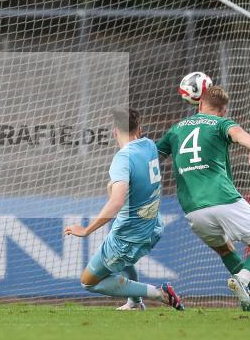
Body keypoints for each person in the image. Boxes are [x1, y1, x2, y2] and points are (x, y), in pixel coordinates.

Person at [156, 86, 250, 312]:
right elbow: (237, 133)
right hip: (222, 198)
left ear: (200, 104)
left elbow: (153, 155)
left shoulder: (176, 129)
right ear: (224, 110)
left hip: (192, 209)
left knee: (226, 251)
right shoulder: (220, 123)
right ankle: (242, 279)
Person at [64, 108, 184, 311]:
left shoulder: (122, 159)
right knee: (125, 262)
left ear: (114, 132)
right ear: (140, 129)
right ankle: (135, 303)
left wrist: (86, 230)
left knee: (88, 282)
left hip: (128, 237)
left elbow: (116, 202)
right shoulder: (149, 145)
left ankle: (159, 293)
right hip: (153, 227)